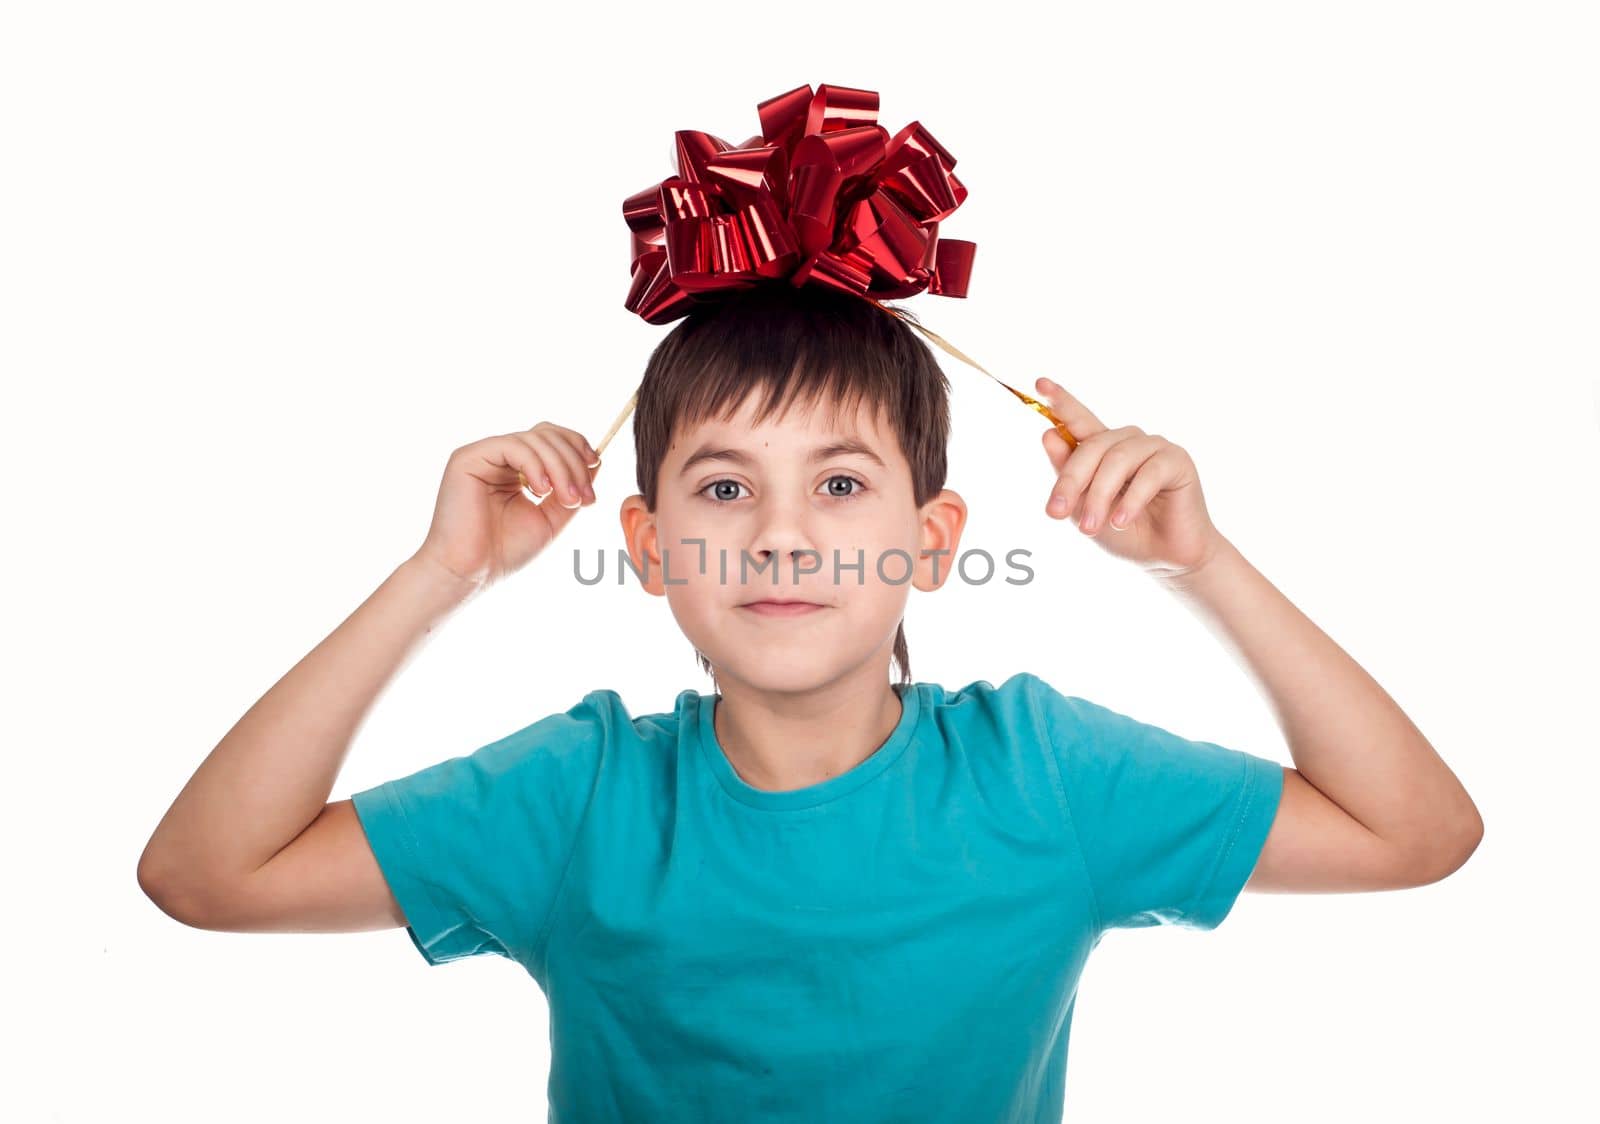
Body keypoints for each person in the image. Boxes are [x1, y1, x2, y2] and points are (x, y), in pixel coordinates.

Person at [137, 282, 1482, 1121]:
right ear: (651, 543)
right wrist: (441, 576)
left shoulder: (1042, 774)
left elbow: (1416, 835)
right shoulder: (581, 794)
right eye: (724, 488)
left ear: (935, 535)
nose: (782, 537)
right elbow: (206, 873)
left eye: (841, 485)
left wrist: (1205, 562)